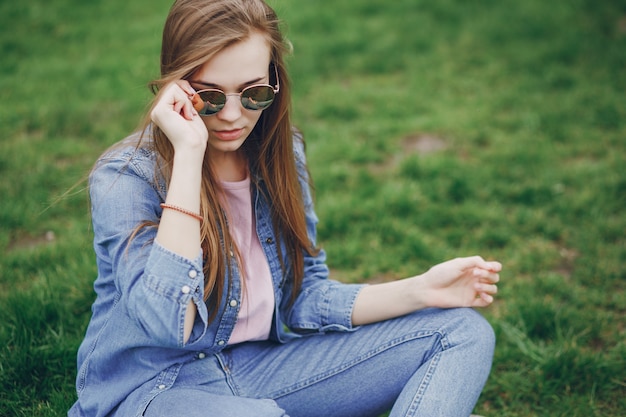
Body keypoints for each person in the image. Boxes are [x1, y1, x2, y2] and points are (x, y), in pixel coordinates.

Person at [69, 0, 501, 416]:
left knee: (461, 331)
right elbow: (168, 324)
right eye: (210, 97)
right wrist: (188, 156)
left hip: (258, 370)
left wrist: (421, 290)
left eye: (253, 93)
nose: (233, 116)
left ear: (274, 81)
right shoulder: (125, 176)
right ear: (176, 85)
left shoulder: (280, 153)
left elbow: (303, 296)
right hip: (157, 388)